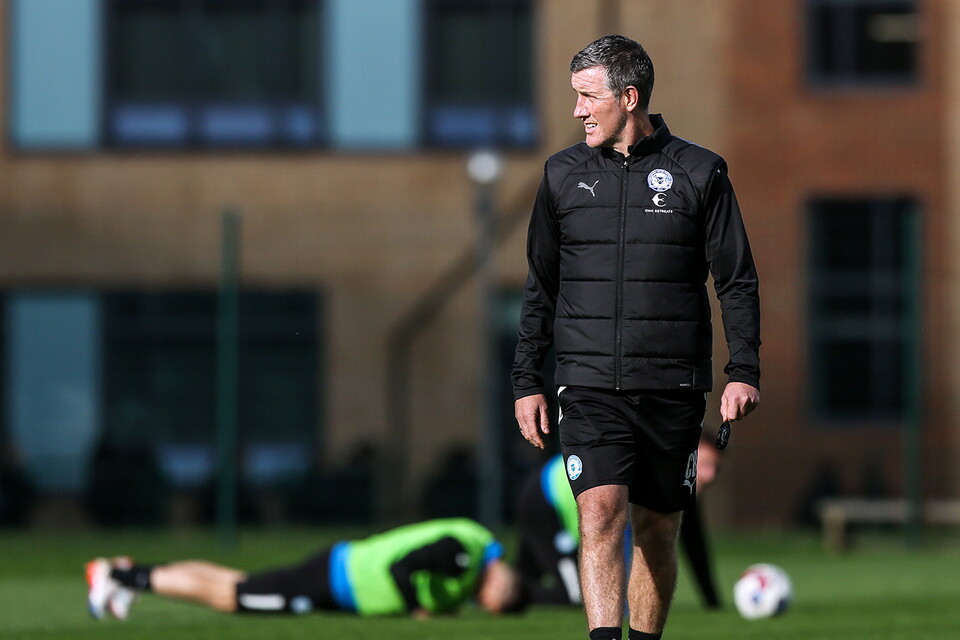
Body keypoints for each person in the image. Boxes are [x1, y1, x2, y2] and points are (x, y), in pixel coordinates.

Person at [512, 35, 760, 640]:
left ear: (628, 97)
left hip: (672, 385)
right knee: (598, 515)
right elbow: (540, 286)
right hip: (589, 383)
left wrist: (744, 370)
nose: (576, 111)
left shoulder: (701, 172)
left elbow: (736, 280)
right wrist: (526, 379)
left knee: (656, 529)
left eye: (586, 96)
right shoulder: (561, 176)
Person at [85, 517, 523, 621]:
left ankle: (131, 570)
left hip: (340, 573)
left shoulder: (476, 547)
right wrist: (416, 609)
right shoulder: (463, 552)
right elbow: (402, 567)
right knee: (230, 596)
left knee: (234, 582)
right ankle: (117, 576)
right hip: (338, 578)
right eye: (495, 599)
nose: (487, 604)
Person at [516, 434, 724, 609]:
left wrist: (713, 603)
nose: (710, 475)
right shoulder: (655, 475)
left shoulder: (682, 488)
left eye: (716, 468)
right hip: (543, 499)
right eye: (704, 465)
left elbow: (695, 547)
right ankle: (510, 593)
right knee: (579, 595)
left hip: (555, 498)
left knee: (529, 571)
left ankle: (509, 585)